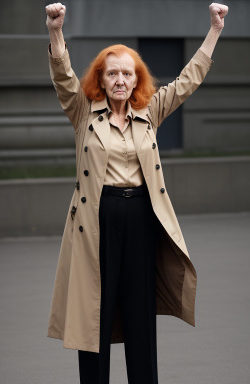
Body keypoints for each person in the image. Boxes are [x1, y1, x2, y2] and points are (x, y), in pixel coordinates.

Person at [45, 3, 228, 383]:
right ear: (101, 78)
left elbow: (186, 81)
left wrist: (214, 30)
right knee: (94, 312)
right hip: (98, 219)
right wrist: (56, 31)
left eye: (127, 73)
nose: (120, 80)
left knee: (139, 315)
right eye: (112, 73)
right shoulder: (83, 112)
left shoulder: (150, 111)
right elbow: (63, 77)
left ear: (136, 79)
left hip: (142, 216)